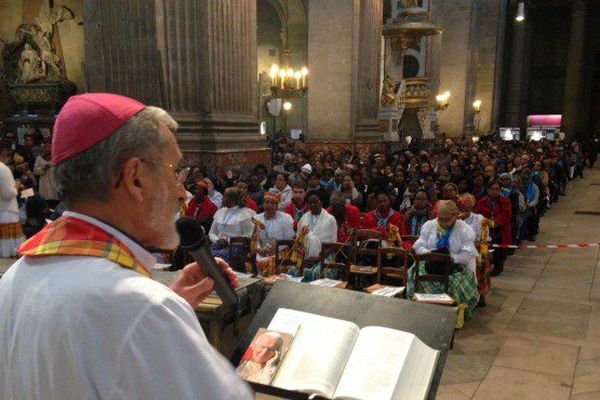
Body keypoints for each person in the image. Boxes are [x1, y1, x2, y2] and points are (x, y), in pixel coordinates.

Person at [0, 93, 252, 399]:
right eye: (174, 171)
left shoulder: (13, 281)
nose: (180, 191)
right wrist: (160, 315)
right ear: (135, 179)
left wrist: (166, 311)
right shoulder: (143, 309)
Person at [407, 200, 480, 322]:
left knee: (454, 282)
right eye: (440, 219)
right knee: (413, 273)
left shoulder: (464, 229)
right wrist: (431, 254)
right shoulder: (430, 226)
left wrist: (451, 258)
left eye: (447, 219)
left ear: (455, 215)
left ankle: (451, 315)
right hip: (431, 263)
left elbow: (468, 254)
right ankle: (422, 310)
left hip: (455, 266)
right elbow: (418, 246)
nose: (443, 222)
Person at [208, 187, 256, 268]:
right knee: (205, 255)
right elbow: (211, 232)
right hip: (219, 245)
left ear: (233, 199)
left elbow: (248, 235)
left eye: (225, 196)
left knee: (220, 256)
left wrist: (228, 240)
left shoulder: (245, 214)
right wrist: (217, 240)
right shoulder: (221, 212)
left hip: (237, 246)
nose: (222, 198)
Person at [475, 181, 512, 276]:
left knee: (499, 250)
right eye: (493, 189)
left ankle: (498, 268)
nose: (495, 191)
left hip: (500, 229)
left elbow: (505, 215)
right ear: (488, 190)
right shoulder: (482, 201)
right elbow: (478, 214)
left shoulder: (505, 201)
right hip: (485, 229)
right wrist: (485, 222)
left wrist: (494, 223)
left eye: (497, 189)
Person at [253, 192, 295, 277]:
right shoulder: (257, 218)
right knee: (254, 260)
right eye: (266, 202)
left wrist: (276, 248)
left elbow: (289, 239)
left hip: (280, 250)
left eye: (272, 203)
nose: (269, 205)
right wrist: (259, 249)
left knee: (272, 262)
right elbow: (254, 239)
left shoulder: (285, 218)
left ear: (277, 206)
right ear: (263, 204)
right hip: (262, 251)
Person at [0, 143, 26, 257]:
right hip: (6, 211)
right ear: (4, 151)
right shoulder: (3, 169)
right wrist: (17, 186)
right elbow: (7, 194)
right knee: (8, 250)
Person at [297, 191, 337, 259]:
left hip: (324, 257)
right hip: (304, 256)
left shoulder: (330, 219)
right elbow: (299, 240)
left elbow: (332, 245)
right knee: (292, 269)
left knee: (316, 270)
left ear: (321, 202)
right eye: (310, 203)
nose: (313, 205)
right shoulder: (304, 218)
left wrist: (319, 258)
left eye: (315, 202)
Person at [33, 137, 58, 205]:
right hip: (44, 184)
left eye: (48, 146)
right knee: (45, 204)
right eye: (45, 147)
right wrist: (45, 167)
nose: (47, 149)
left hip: (54, 183)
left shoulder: (56, 157)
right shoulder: (39, 158)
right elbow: (35, 171)